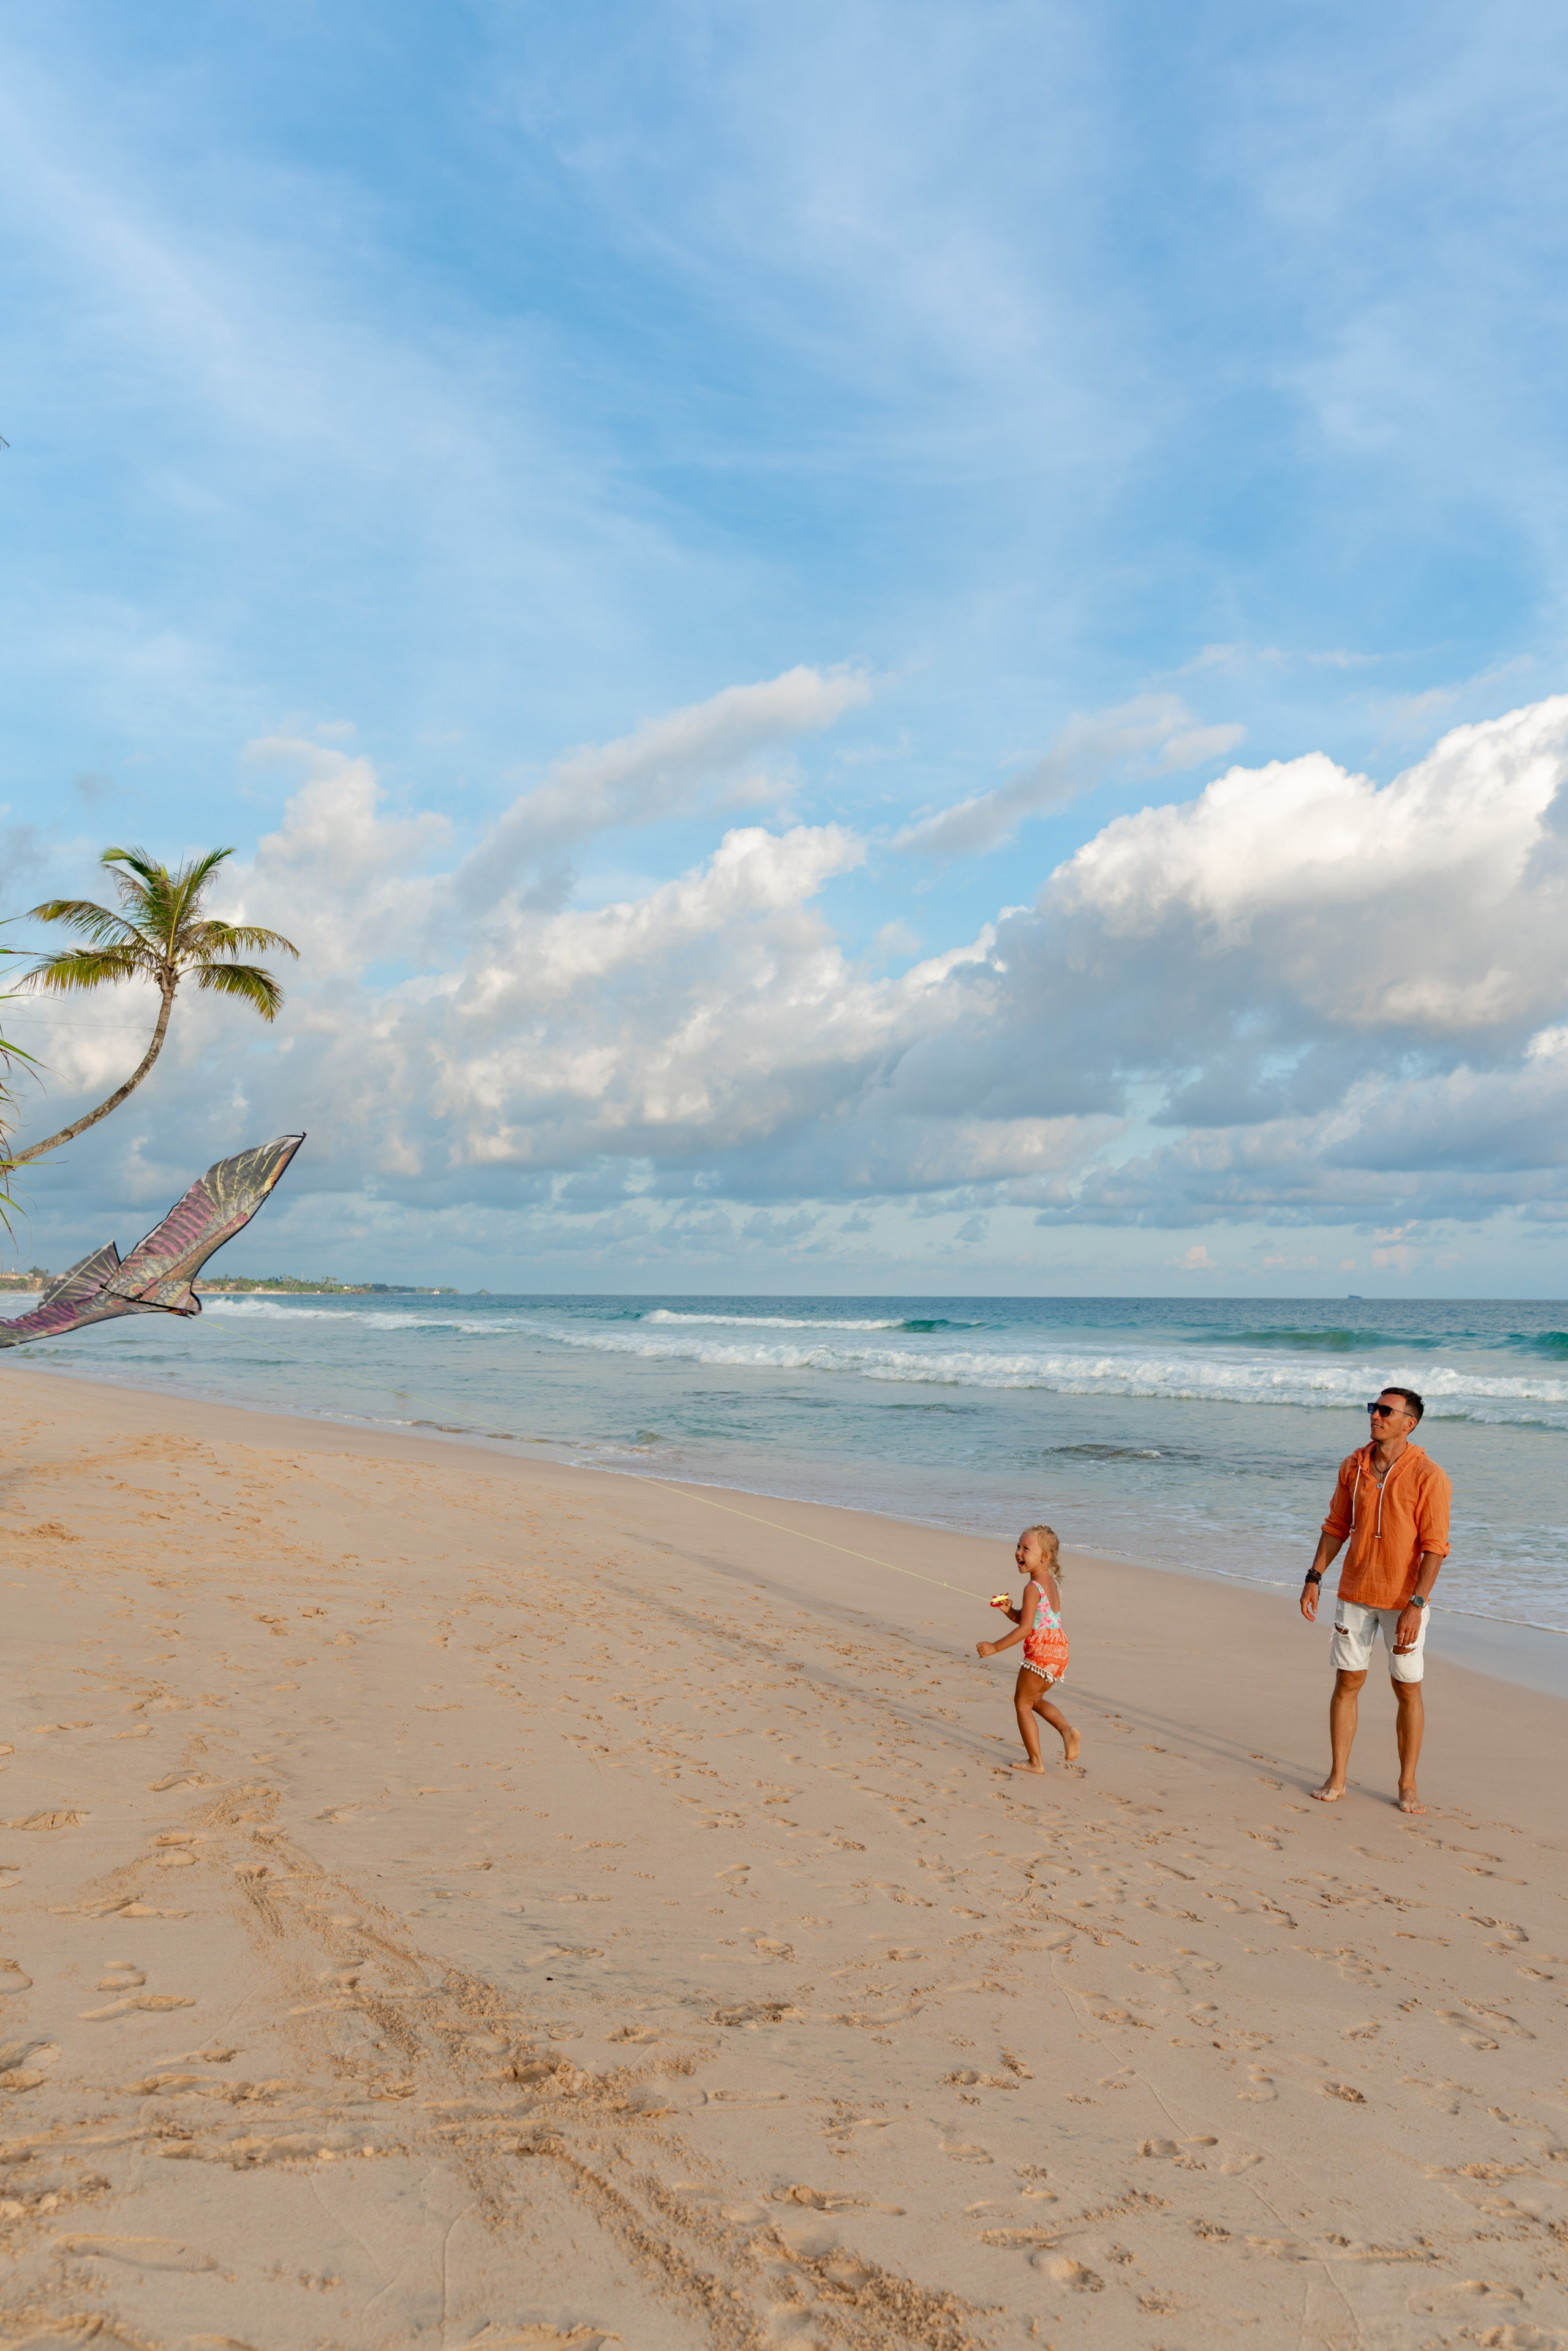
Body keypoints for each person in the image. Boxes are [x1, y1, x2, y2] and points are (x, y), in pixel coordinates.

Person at [1299, 1386, 1451, 1814]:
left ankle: (1407, 1784)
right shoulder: (1354, 1466)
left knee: (1407, 1687)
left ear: (1409, 1423)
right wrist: (1314, 1577)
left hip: (1404, 1601)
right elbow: (1336, 1525)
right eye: (1374, 1408)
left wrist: (1417, 1605)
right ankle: (1338, 1776)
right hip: (1354, 1593)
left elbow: (1435, 1546)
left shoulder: (1429, 1476)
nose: (1376, 1415)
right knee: (1347, 1682)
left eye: (1386, 1410)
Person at [977, 1523, 1080, 1774]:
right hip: (1059, 1652)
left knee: (1022, 1704)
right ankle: (1067, 1731)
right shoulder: (1050, 1584)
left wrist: (994, 1647)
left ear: (1045, 1557)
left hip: (1041, 1652)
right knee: (1035, 1699)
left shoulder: (1032, 1588)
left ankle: (1036, 1762)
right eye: (1018, 1547)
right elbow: (1034, 1620)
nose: (1019, 1553)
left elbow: (1025, 1630)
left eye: (1026, 1549)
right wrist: (1009, 1611)